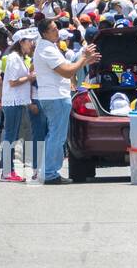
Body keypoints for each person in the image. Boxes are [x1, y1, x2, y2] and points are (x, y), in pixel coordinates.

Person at [33, 15, 100, 184]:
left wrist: (84, 61)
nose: (57, 32)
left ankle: (48, 171)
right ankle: (49, 173)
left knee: (56, 135)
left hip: (55, 96)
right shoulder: (47, 49)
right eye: (53, 30)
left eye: (57, 28)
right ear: (44, 33)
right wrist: (84, 59)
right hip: (55, 97)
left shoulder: (49, 47)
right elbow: (67, 72)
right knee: (57, 136)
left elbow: (69, 67)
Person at [0, 28, 38, 183]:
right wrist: (29, 77)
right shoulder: (14, 58)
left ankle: (8, 170)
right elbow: (13, 82)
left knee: (12, 136)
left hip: (17, 101)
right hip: (13, 101)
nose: (31, 44)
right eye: (29, 41)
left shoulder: (19, 57)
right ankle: (7, 172)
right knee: (10, 136)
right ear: (21, 42)